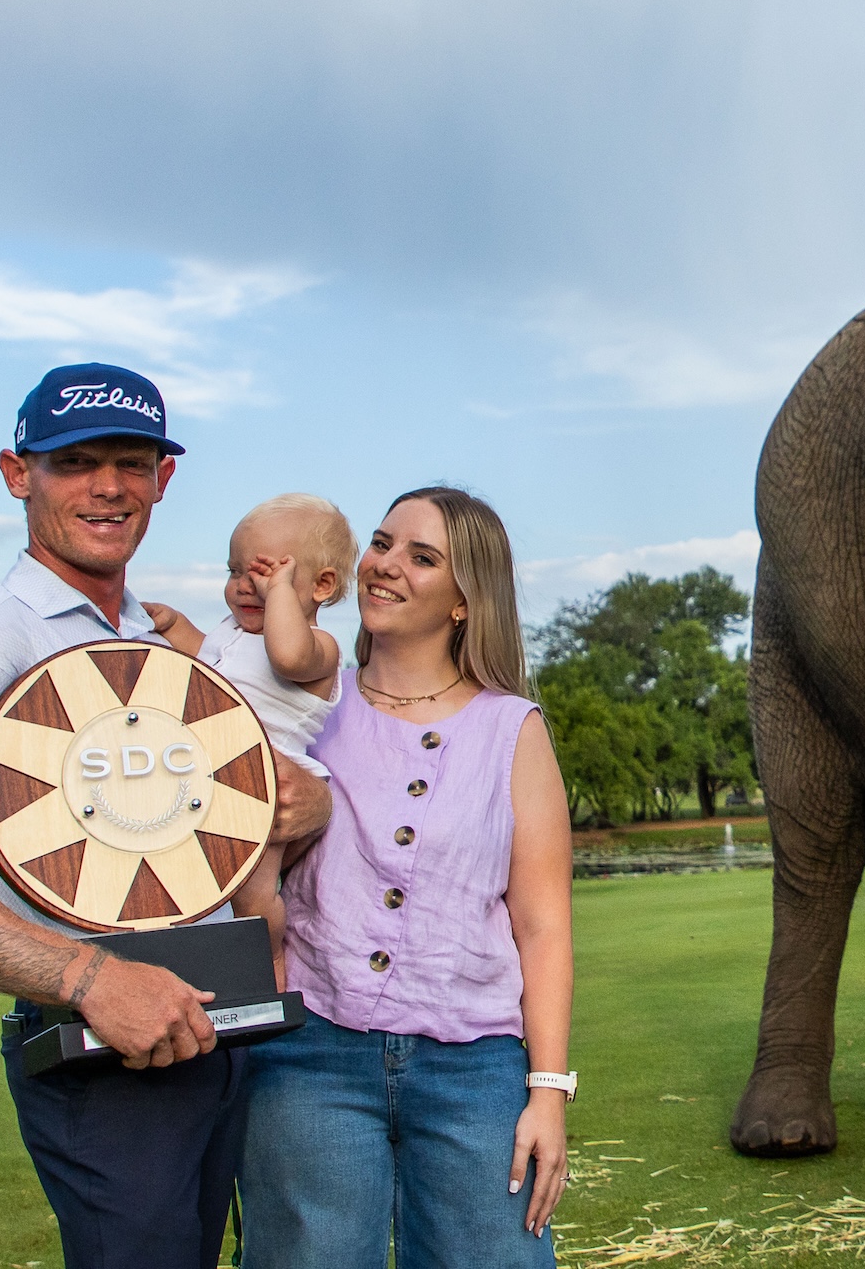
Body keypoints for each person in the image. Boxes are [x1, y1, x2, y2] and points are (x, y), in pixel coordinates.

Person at [0, 363, 333, 1269]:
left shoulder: (156, 641)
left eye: (131, 463)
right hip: (103, 1052)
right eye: (75, 462)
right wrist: (90, 980)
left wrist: (309, 801)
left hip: (220, 1021)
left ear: (164, 478)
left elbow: (223, 811)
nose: (108, 487)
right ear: (17, 474)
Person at [241, 486, 574, 1268]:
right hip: (308, 1054)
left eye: (422, 557)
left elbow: (543, 927)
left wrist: (547, 1093)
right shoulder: (301, 707)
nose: (386, 565)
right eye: (383, 543)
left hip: (477, 1070)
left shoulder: (513, 729)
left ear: (465, 601)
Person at [149, 492, 356, 984]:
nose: (244, 585)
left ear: (321, 585)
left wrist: (279, 593)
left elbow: (285, 657)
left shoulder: (317, 647)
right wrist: (174, 625)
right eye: (234, 571)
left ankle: (271, 965)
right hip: (201, 777)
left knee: (252, 896)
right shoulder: (231, 633)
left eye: (263, 572)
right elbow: (206, 661)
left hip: (262, 786)